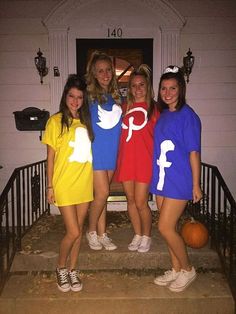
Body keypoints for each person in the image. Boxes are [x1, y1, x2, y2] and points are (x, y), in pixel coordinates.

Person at [150, 65, 202, 292]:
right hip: (161, 179)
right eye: (164, 88)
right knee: (167, 228)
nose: (167, 92)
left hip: (179, 180)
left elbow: (194, 152)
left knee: (165, 227)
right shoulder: (163, 115)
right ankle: (175, 268)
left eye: (173, 88)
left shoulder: (188, 116)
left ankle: (188, 269)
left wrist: (196, 184)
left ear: (181, 89)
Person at [42, 74, 94, 292]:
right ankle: (60, 267)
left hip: (84, 182)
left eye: (79, 97)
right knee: (72, 231)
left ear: (83, 99)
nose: (75, 101)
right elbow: (51, 157)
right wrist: (50, 186)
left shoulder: (85, 121)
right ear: (65, 96)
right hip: (63, 184)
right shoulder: (55, 121)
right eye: (71, 96)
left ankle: (73, 270)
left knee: (79, 231)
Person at [115, 64, 160, 253]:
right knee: (131, 200)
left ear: (147, 86)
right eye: (134, 85)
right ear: (130, 88)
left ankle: (147, 235)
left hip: (144, 161)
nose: (138, 89)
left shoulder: (155, 109)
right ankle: (138, 234)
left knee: (141, 202)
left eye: (141, 85)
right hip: (126, 161)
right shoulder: (124, 108)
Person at [85, 51, 122, 251]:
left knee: (103, 196)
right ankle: (91, 230)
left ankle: (102, 234)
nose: (105, 74)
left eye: (108, 70)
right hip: (96, 152)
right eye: (100, 71)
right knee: (102, 193)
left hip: (111, 152)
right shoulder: (89, 96)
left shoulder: (115, 97)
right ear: (94, 73)